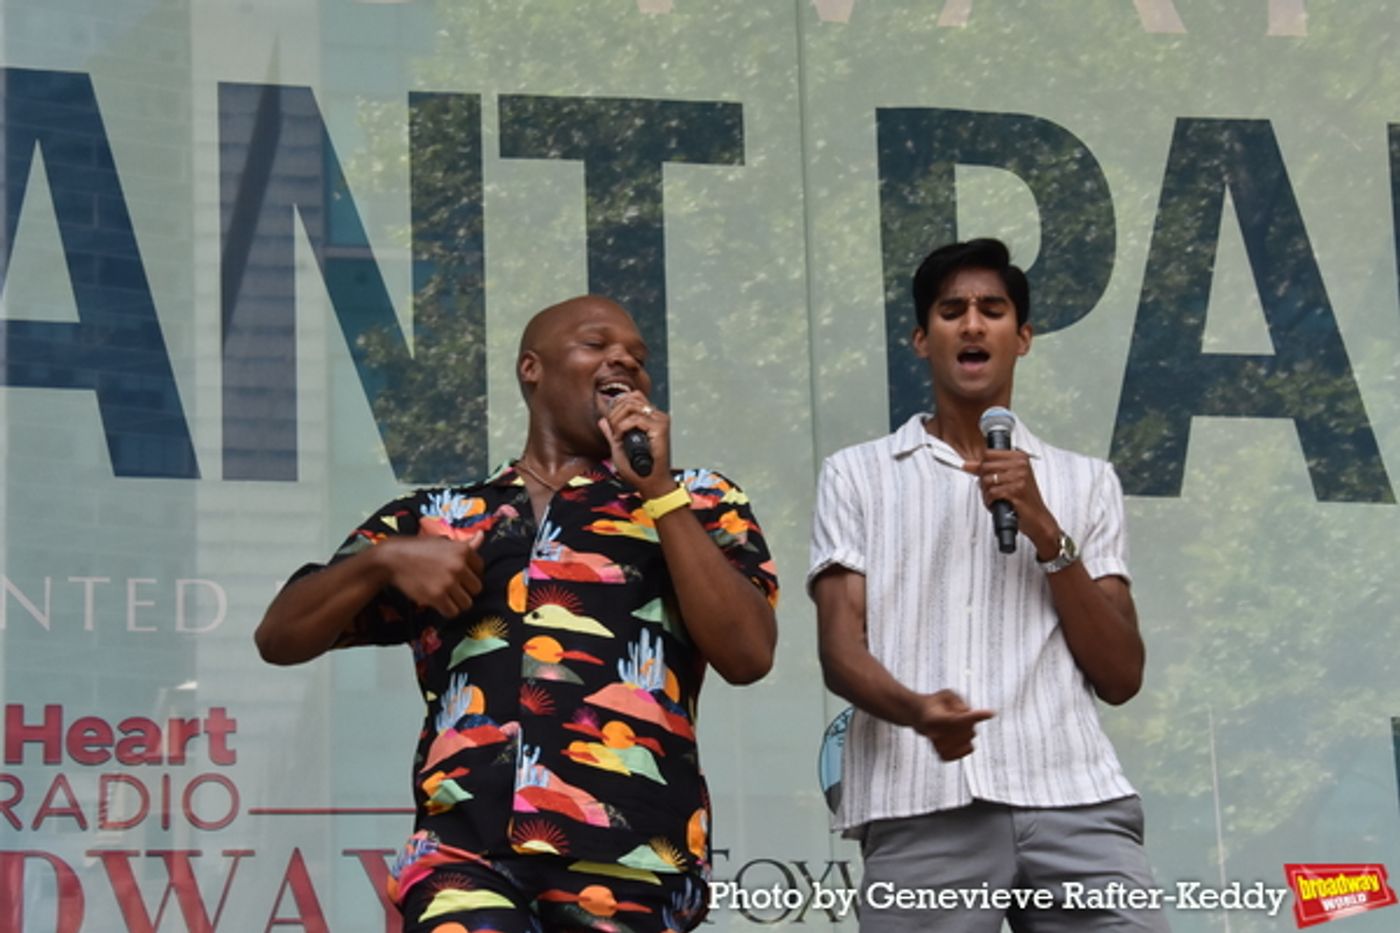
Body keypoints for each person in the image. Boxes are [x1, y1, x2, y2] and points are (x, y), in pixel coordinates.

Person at [256, 295, 779, 933]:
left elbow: (749, 654)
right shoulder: (440, 518)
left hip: (634, 859)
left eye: (638, 358)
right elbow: (279, 636)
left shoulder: (698, 500)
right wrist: (381, 562)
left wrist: (659, 493)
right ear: (532, 368)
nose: (625, 360)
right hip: (465, 851)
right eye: (597, 343)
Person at [808, 239, 1168, 932]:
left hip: (1074, 798)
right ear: (921, 339)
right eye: (951, 311)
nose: (972, 324)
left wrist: (1047, 535)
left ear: (1022, 338)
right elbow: (839, 649)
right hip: (920, 800)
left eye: (992, 310)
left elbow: (1122, 673)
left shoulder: (1084, 480)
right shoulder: (857, 474)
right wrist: (919, 712)